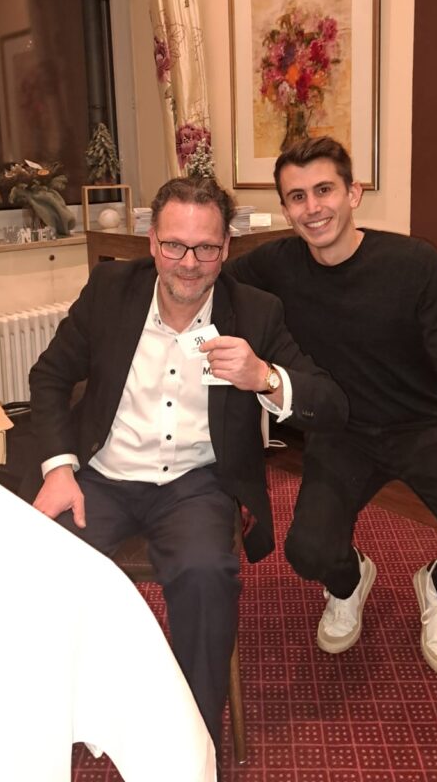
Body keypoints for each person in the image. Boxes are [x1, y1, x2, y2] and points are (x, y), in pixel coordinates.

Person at [28, 175, 348, 749]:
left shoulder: (255, 312)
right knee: (40, 567)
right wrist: (58, 468)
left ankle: (193, 746)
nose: (189, 263)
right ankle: (62, 718)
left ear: (226, 249)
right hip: (103, 475)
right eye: (175, 245)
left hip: (196, 485)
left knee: (205, 575)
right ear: (153, 242)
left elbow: (330, 405)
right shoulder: (110, 290)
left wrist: (265, 377)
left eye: (206, 248)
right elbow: (50, 376)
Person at [226, 136, 437, 678]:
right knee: (309, 553)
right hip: (342, 433)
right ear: (285, 209)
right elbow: (205, 279)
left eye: (324, 190)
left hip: (425, 428)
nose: (312, 207)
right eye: (297, 197)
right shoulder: (275, 265)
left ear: (354, 193)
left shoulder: (414, 264)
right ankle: (350, 583)